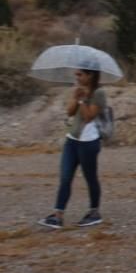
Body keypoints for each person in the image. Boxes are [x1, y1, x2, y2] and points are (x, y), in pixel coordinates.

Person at [37, 68, 107, 229]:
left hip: (89, 141)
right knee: (65, 177)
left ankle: (94, 212)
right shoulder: (79, 90)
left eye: (80, 74)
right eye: (76, 74)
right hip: (72, 140)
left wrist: (83, 100)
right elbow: (69, 112)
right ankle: (58, 215)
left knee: (90, 178)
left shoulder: (99, 93)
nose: (76, 77)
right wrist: (76, 98)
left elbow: (89, 117)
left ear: (90, 75)